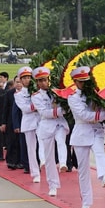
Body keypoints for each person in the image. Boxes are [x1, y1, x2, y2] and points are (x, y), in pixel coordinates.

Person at [67, 66, 105, 208]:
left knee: (100, 152)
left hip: (97, 131)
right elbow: (84, 115)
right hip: (81, 132)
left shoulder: (96, 94)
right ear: (75, 82)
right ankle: (86, 202)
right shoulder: (73, 98)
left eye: (85, 81)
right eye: (80, 82)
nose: (83, 84)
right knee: (83, 170)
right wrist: (104, 115)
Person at [31, 66, 70, 197]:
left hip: (59, 123)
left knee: (61, 141)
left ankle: (63, 163)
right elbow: (44, 112)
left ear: (49, 79)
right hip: (47, 126)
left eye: (45, 80)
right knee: (49, 158)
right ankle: (52, 185)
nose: (43, 83)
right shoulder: (36, 97)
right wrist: (60, 111)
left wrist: (65, 107)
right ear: (37, 83)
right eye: (40, 81)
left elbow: (65, 103)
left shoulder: (57, 91)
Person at [14, 67, 40, 182]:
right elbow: (25, 108)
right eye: (24, 78)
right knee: (31, 148)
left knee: (44, 145)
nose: (27, 80)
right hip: (28, 122)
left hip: (40, 121)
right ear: (21, 79)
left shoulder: (37, 90)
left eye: (29, 77)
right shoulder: (19, 94)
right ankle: (35, 173)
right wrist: (37, 106)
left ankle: (43, 164)